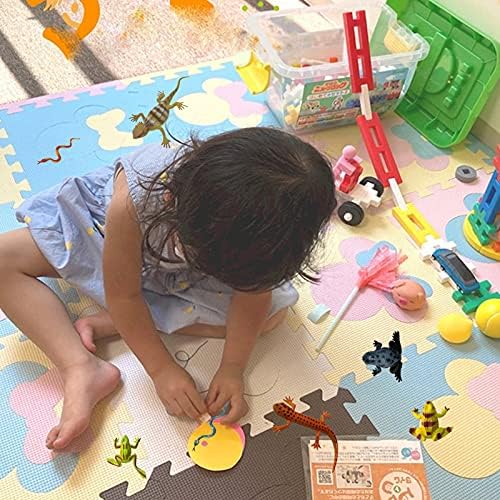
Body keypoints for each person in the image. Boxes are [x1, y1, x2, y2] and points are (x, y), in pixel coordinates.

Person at [0, 127, 337, 450]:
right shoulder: (135, 200)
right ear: (171, 199)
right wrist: (161, 370)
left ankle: (117, 322)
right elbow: (124, 295)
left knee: (271, 316)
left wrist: (233, 367)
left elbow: (254, 294)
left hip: (184, 268)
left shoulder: (259, 239)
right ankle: (80, 367)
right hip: (103, 235)